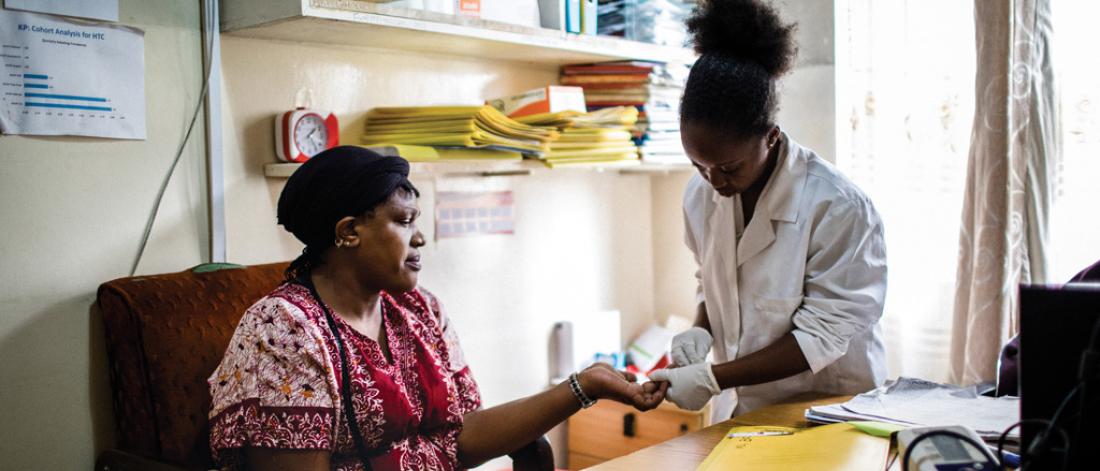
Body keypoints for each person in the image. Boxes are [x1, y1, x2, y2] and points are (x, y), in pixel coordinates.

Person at [207, 146, 667, 471]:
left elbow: (463, 434)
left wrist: (583, 387)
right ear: (348, 232)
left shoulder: (419, 309)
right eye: (404, 221)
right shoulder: (283, 331)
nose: (421, 238)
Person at [648, 0, 888, 421]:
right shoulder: (699, 195)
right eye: (698, 164)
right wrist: (700, 328)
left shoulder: (838, 209)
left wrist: (713, 377)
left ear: (771, 136)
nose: (713, 181)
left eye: (728, 168)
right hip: (742, 412)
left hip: (826, 411)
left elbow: (822, 335)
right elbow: (714, 281)